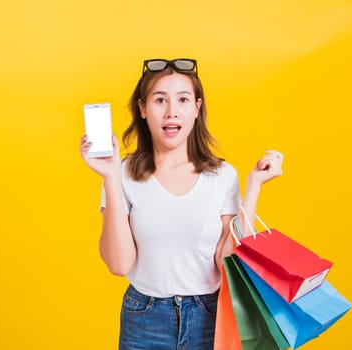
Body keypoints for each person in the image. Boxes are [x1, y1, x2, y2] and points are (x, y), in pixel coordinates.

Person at [79, 58, 283, 350]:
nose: (171, 112)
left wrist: (253, 187)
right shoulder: (122, 173)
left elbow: (225, 264)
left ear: (197, 108)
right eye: (160, 100)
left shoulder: (223, 176)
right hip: (144, 319)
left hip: (209, 317)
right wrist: (110, 177)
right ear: (143, 109)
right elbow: (119, 263)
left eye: (183, 100)